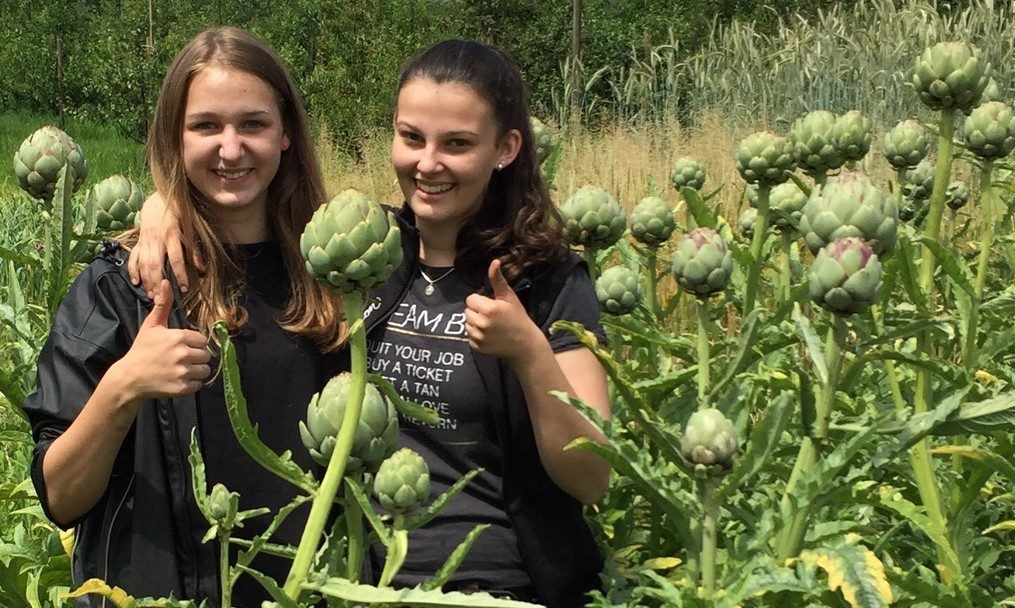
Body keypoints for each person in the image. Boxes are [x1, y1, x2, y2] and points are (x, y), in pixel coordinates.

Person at [132, 39, 612, 607]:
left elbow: (591, 477)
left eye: (457, 143)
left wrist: (530, 353)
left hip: (487, 584)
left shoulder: (547, 280)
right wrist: (163, 206)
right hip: (350, 577)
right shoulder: (367, 254)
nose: (428, 163)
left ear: (505, 148)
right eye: (412, 138)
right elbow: (248, 202)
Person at [22, 27, 346, 606]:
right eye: (205, 126)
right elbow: (60, 496)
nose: (230, 148)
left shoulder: (338, 274)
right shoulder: (119, 287)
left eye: (253, 124)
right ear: (175, 136)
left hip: (314, 590)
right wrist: (124, 386)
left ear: (287, 134)